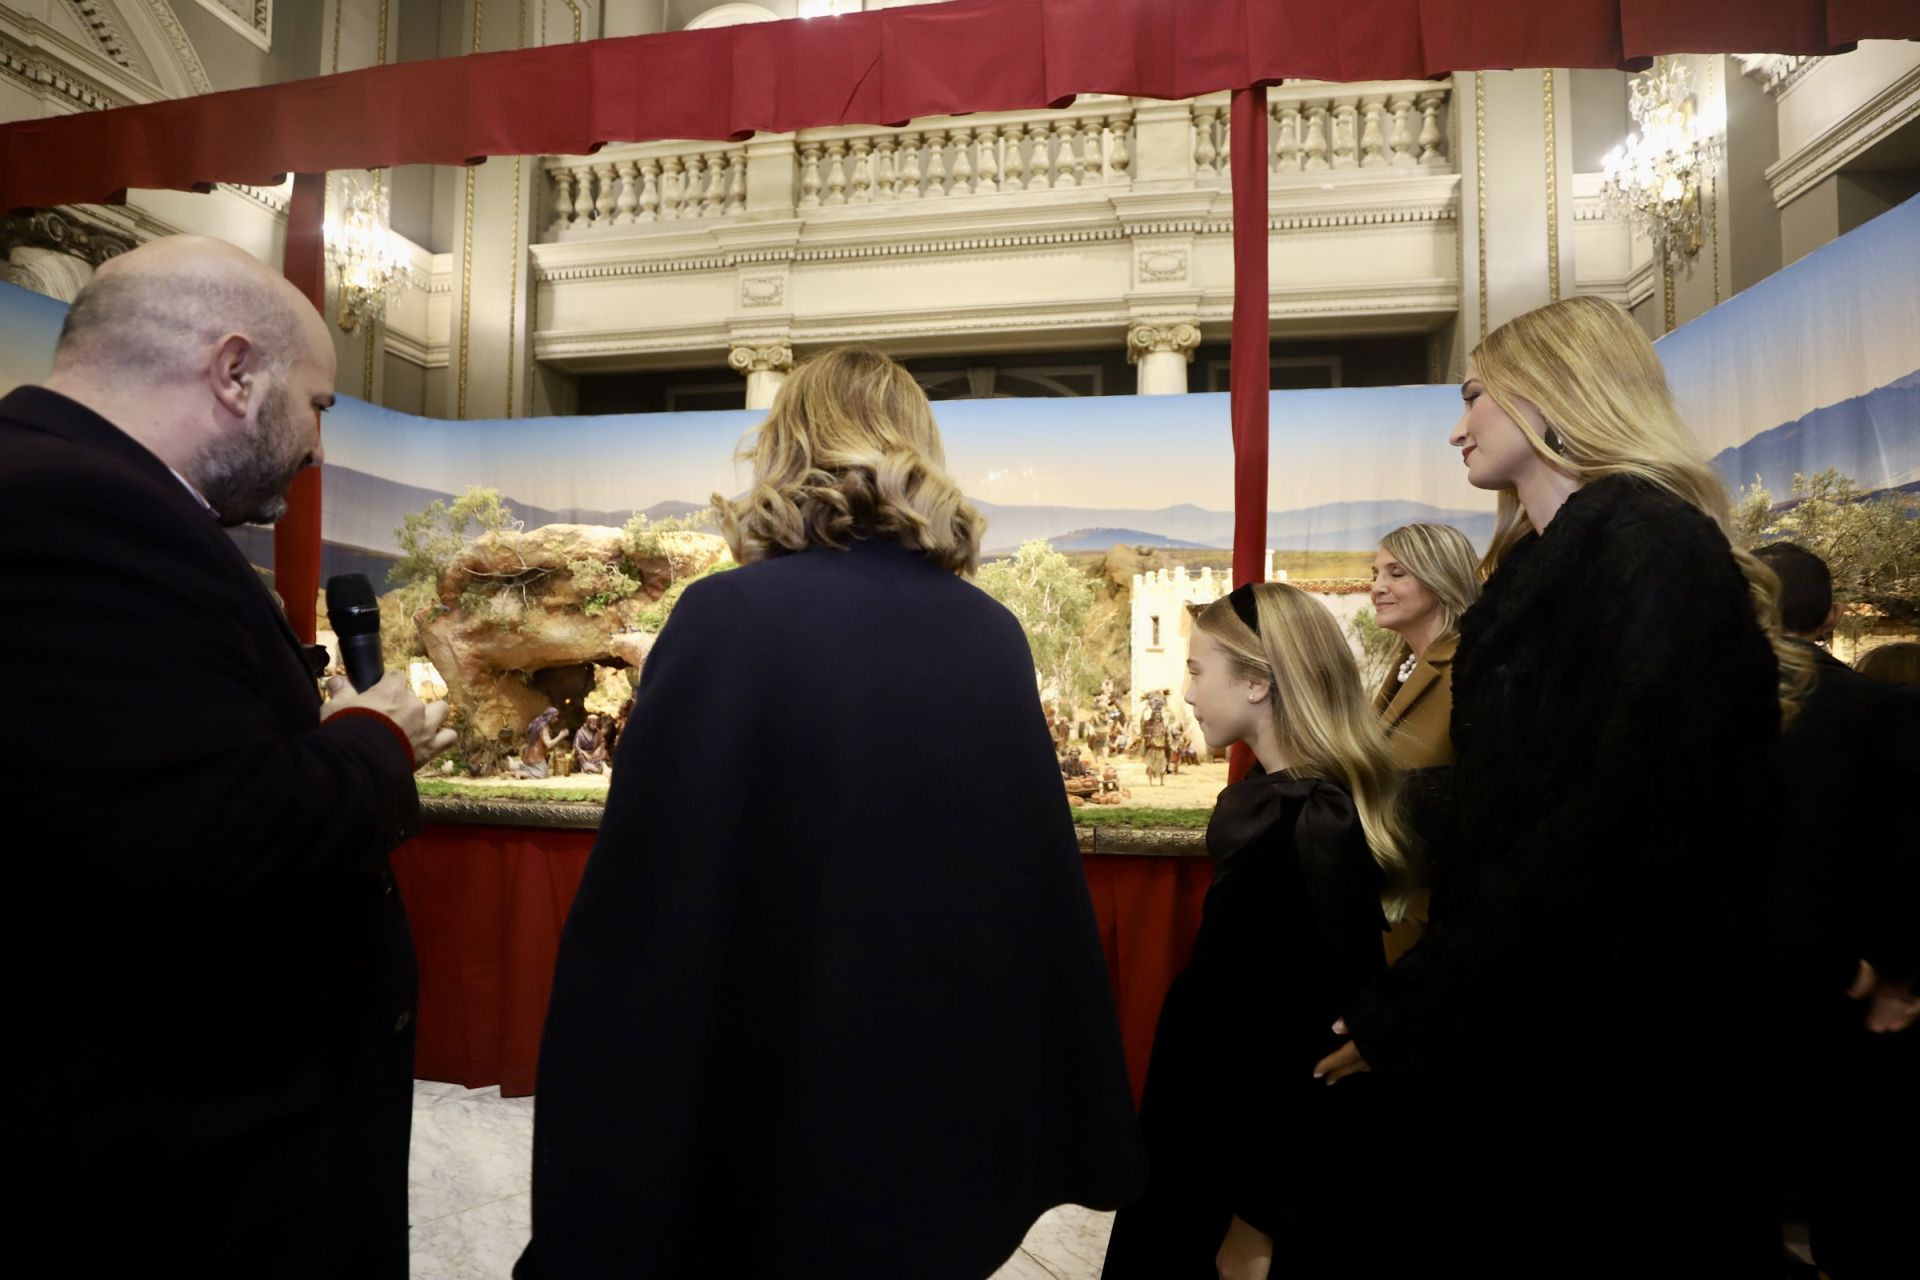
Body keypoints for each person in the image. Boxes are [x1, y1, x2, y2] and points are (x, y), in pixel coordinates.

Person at [517, 347, 1143, 1279]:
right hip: (930, 1117)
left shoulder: (722, 619)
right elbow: (1025, 893)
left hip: (761, 1111)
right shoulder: (989, 634)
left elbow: (648, 909)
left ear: (786, 449)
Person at [1317, 296, 1799, 1276]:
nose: (1460, 425)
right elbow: (1523, 799)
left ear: (1553, 392)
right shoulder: (1558, 565)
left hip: (1621, 1063)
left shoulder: (1650, 555)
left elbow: (1612, 832)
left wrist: (1424, 1003)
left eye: (1476, 394)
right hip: (1551, 1036)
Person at [2, 235, 454, 1276]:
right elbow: (200, 834)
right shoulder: (78, 511)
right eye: (318, 406)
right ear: (236, 370)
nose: (315, 446)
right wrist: (379, 739)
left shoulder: (71, 488)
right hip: (164, 1167)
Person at [1103, 582, 1412, 1280]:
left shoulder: (1308, 823)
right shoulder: (1280, 808)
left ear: (1256, 683)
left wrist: (1254, 1220)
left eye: (1195, 669)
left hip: (1237, 1170)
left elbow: (1306, 1043)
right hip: (1208, 1129)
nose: (1185, 692)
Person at [1753, 542, 1919, 1278]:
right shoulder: (1881, 710)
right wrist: (1895, 972)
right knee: (1855, 1209)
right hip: (1846, 993)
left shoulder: (1694, 715)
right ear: (1827, 617)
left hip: (1741, 995)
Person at [1366, 522, 1480, 963]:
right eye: (1375, 574)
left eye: (1396, 573)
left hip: (1437, 930)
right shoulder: (1402, 667)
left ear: (1440, 576)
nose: (1377, 587)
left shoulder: (1468, 668)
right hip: (1393, 916)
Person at [514, 706, 568, 779]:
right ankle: (521, 773)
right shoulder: (543, 728)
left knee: (542, 771)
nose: (556, 719)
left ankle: (519, 771)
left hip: (530, 755)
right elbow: (548, 744)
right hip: (536, 757)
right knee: (542, 774)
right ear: (550, 717)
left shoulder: (538, 724)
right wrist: (561, 736)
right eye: (555, 717)